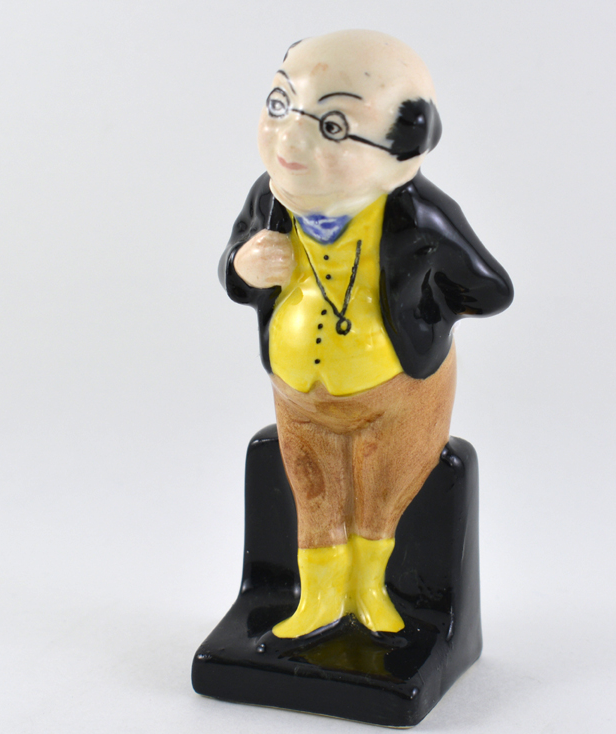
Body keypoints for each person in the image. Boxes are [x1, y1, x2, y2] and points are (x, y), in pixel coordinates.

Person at [220, 30, 513, 638]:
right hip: (298, 392)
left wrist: (421, 314)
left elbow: (488, 288)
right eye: (280, 105)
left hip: (396, 395)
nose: (290, 139)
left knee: (379, 494)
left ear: (404, 152)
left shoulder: (418, 214)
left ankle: (371, 591)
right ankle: (320, 601)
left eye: (333, 127)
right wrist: (244, 265)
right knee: (313, 491)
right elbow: (234, 269)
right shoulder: (269, 199)